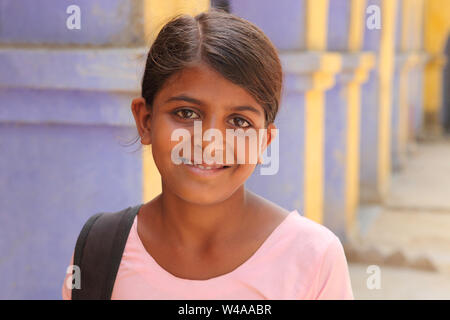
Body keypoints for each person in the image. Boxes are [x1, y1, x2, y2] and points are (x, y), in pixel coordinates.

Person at [62, 9, 354, 300]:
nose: (210, 143)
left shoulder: (313, 259)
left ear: (264, 140)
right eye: (186, 113)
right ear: (146, 120)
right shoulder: (101, 252)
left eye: (239, 121)